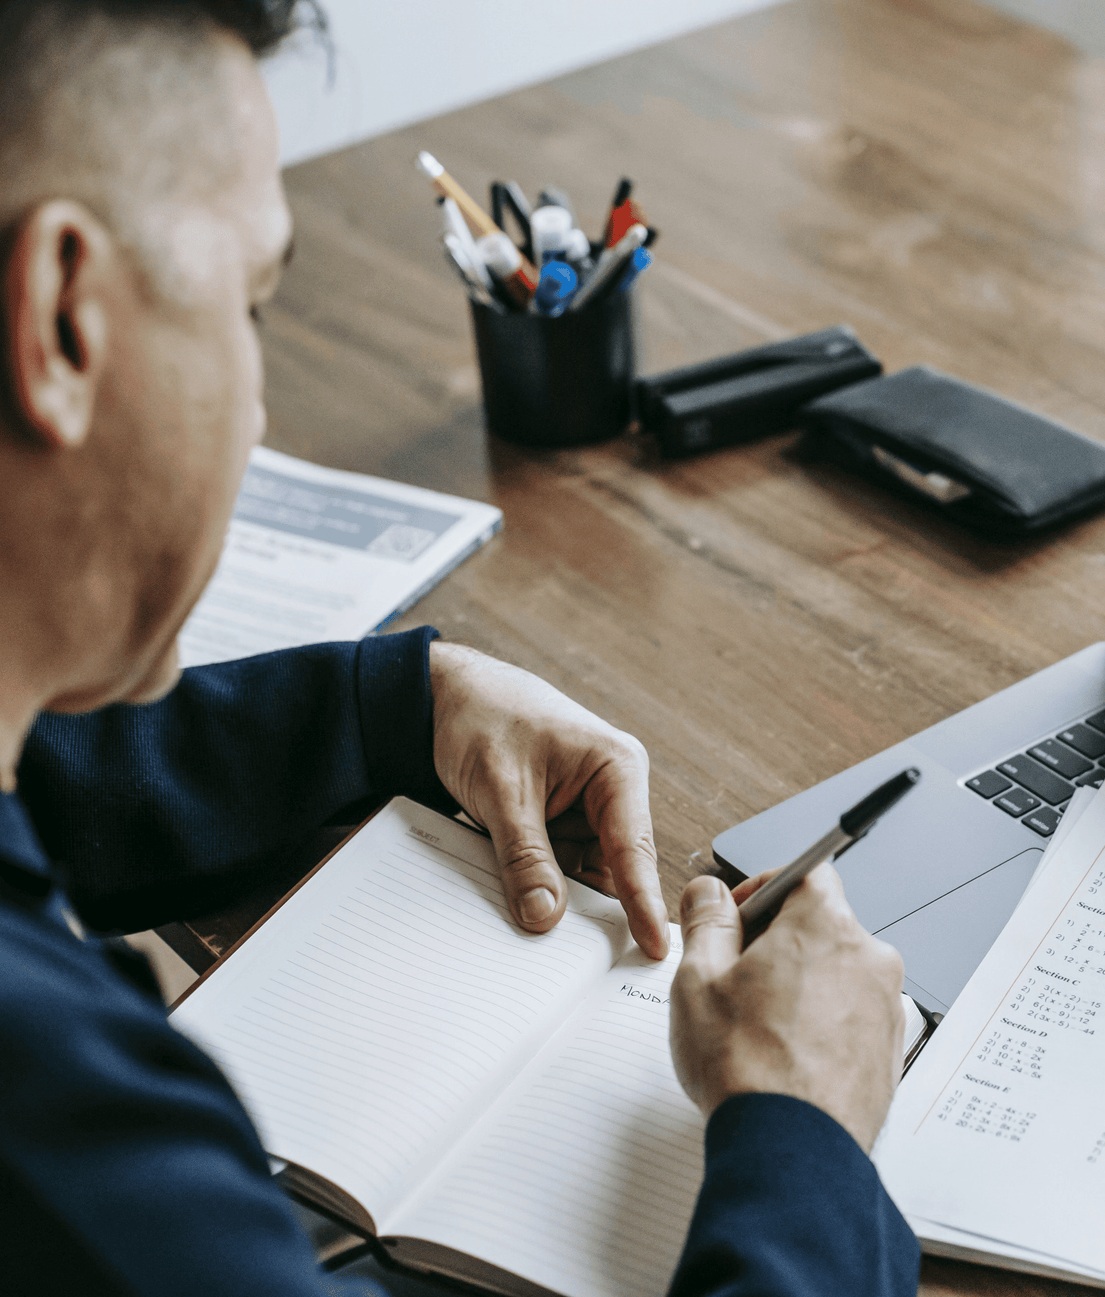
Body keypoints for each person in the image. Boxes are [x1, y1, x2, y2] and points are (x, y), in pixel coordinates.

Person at [0, 2, 919, 1293]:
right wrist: (808, 1141)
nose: (256, 398)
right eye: (253, 305)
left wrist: (389, 707)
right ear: (63, 319)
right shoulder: (70, 1155)